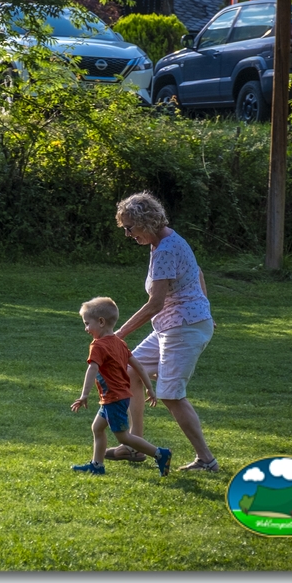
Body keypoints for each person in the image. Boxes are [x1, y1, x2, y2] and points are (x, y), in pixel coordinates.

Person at [105, 191, 218, 472]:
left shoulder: (166, 248)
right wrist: (205, 307)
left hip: (184, 329)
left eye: (130, 228)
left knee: (170, 394)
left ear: (146, 221)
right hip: (173, 326)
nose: (128, 234)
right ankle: (134, 445)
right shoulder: (164, 242)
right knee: (131, 369)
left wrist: (118, 335)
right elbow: (198, 271)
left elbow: (154, 304)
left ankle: (206, 460)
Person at [70, 296, 172, 477]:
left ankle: (160, 453)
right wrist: (149, 387)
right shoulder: (119, 342)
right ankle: (97, 465)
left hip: (113, 398)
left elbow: (92, 369)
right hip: (119, 396)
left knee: (123, 436)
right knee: (97, 428)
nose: (86, 328)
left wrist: (84, 394)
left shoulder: (98, 345)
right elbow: (138, 365)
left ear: (101, 322)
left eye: (87, 324)